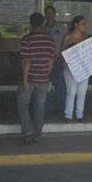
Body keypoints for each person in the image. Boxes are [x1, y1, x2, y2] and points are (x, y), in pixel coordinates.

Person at [18, 13, 56, 144]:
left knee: (23, 105)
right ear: (43, 23)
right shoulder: (50, 40)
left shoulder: (27, 39)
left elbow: (26, 61)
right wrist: (46, 75)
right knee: (39, 107)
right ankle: (37, 135)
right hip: (43, 79)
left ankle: (27, 132)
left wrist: (24, 80)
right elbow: (51, 61)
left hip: (29, 78)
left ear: (31, 23)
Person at [62, 15, 91, 122]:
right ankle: (68, 114)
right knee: (71, 91)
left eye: (85, 23)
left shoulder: (87, 37)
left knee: (82, 92)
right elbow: (63, 52)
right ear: (76, 24)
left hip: (84, 68)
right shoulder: (68, 37)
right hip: (71, 68)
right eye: (82, 23)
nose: (84, 26)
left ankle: (79, 114)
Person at [43, 5, 67, 116]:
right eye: (47, 13)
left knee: (59, 84)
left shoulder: (61, 27)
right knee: (46, 85)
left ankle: (61, 108)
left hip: (57, 60)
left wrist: (62, 56)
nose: (49, 15)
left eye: (51, 13)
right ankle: (48, 109)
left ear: (54, 14)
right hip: (44, 61)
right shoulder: (42, 28)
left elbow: (65, 43)